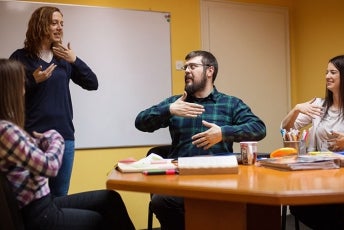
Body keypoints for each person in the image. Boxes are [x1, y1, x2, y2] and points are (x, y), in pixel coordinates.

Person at [135, 50, 266, 230]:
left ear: (209, 71)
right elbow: (140, 122)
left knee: (256, 204)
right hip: (181, 179)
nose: (187, 70)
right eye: (185, 67)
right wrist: (169, 110)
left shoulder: (230, 104)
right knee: (161, 201)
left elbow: (259, 128)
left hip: (220, 180)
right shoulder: (176, 103)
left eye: (193, 66)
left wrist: (223, 133)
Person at [0, 58, 135, 230]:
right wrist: (55, 137)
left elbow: (30, 148)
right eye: (21, 84)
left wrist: (43, 140)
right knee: (98, 220)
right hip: (40, 215)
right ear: (9, 89)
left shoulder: (8, 129)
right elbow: (50, 166)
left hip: (45, 204)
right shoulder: (6, 131)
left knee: (110, 199)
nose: (24, 89)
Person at [9, 6, 98, 197]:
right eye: (54, 23)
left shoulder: (63, 59)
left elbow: (93, 83)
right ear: (41, 25)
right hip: (32, 138)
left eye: (62, 24)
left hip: (64, 138)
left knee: (60, 198)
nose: (60, 28)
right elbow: (8, 93)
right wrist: (33, 80)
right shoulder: (20, 58)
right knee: (34, 199)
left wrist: (75, 60)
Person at [281, 54, 344, 229]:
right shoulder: (319, 105)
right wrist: (296, 109)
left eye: (333, 72)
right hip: (319, 178)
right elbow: (286, 129)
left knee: (329, 208)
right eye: (326, 72)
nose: (327, 76)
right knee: (299, 205)